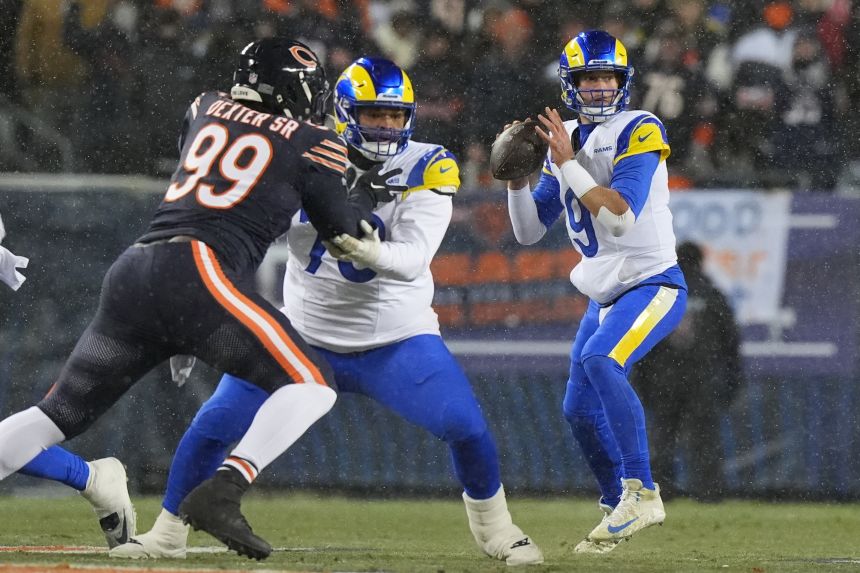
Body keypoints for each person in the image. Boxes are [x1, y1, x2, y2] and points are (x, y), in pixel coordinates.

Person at [108, 56, 543, 566]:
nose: (385, 125)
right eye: (372, 113)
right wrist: (195, 328)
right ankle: (167, 533)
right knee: (214, 423)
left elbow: (413, 260)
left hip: (395, 340)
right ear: (342, 111)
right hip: (301, 337)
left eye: (394, 115)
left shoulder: (428, 164)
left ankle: (497, 529)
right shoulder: (299, 152)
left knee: (465, 427)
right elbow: (238, 244)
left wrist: (369, 252)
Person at [0, 38, 404, 561]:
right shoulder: (313, 141)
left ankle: (185, 488)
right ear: (293, 91)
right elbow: (341, 230)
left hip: (135, 271)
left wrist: (184, 331)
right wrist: (367, 207)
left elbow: (210, 180)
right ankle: (225, 490)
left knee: (52, 417)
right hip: (199, 273)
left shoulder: (204, 106)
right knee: (311, 384)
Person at [501, 30, 688, 554]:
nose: (600, 86)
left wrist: (566, 163)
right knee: (578, 410)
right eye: (589, 77)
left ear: (623, 81)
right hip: (604, 294)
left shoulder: (639, 126)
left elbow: (622, 216)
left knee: (604, 361)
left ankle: (642, 491)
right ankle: (615, 507)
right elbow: (528, 231)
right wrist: (517, 181)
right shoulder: (566, 142)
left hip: (653, 283)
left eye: (607, 76)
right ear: (571, 84)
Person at [633, 241, 742, 501]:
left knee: (661, 438)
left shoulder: (661, 294)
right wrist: (731, 379)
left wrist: (642, 381)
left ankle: (659, 491)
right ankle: (709, 491)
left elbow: (643, 342)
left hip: (664, 380)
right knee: (704, 438)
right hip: (702, 379)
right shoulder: (712, 294)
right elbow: (731, 342)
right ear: (701, 261)